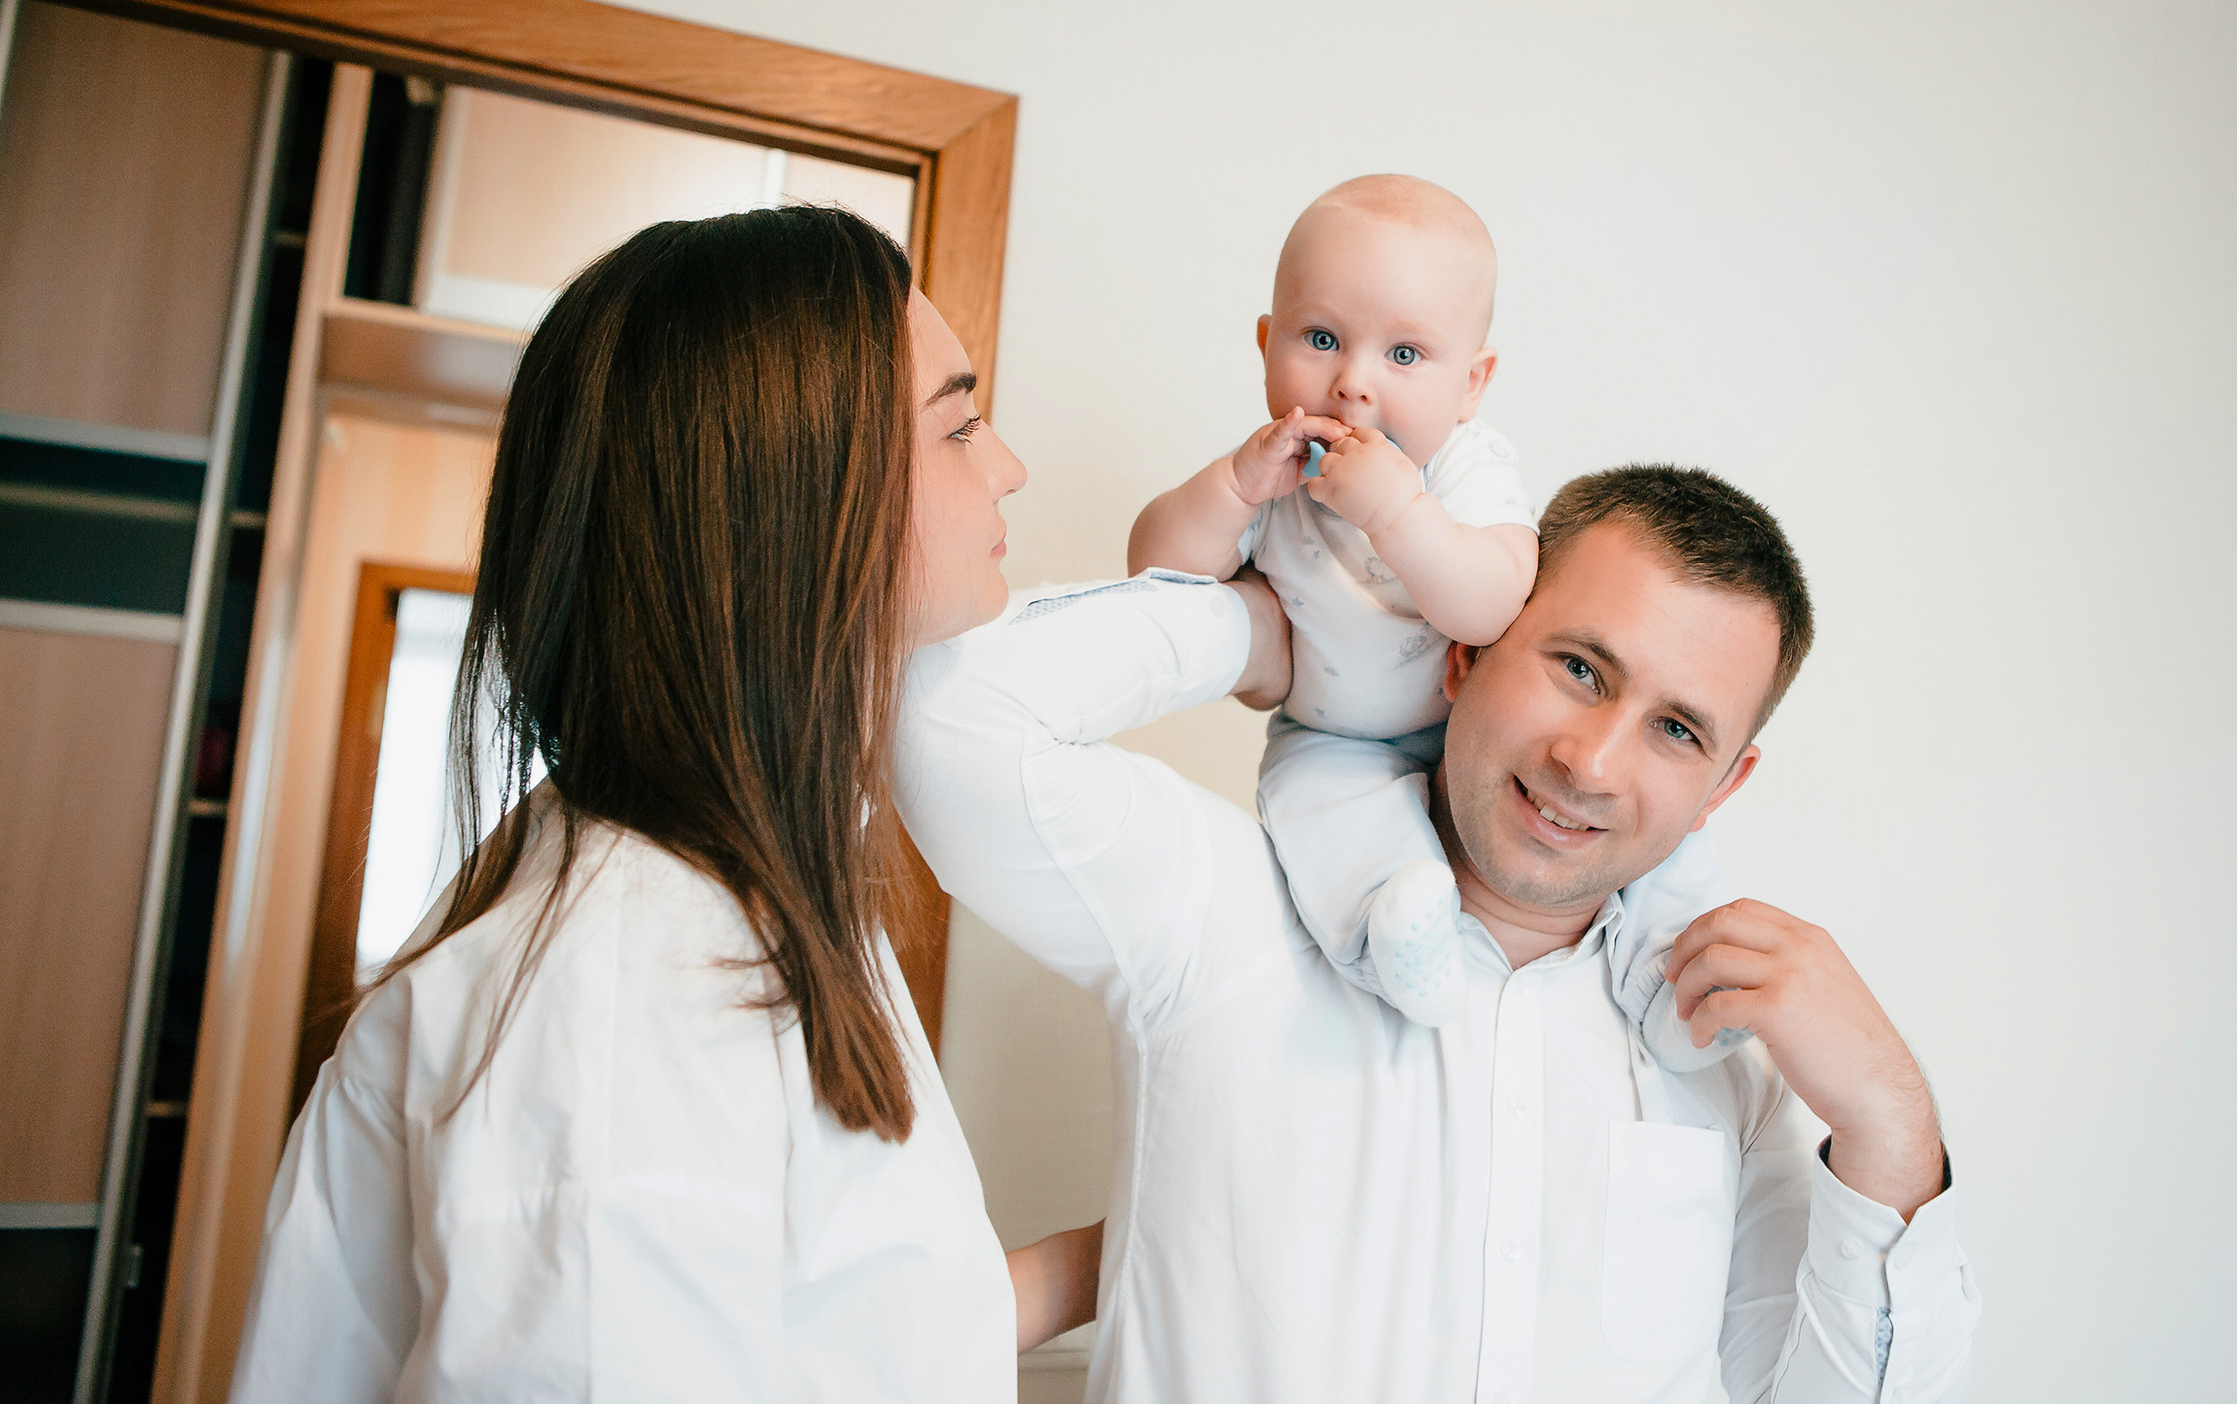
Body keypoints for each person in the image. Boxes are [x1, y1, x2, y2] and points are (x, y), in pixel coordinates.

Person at [230, 205, 1093, 1401]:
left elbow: (848, 1324)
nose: (1008, 465)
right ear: (795, 504)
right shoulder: (628, 992)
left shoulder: (740, 904)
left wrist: (1130, 1246)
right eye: (959, 422)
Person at [901, 464, 1978, 1400]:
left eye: (1675, 728)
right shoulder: (1216, 908)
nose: (1590, 762)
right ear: (1464, 652)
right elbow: (947, 719)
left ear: (1718, 788)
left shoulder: (1722, 1055)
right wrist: (1264, 632)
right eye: (1579, 668)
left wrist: (1887, 1113)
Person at [1127, 175, 1736, 1064]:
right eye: (1321, 338)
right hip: (1330, 734)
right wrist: (1229, 489)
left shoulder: (1463, 466)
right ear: (1266, 346)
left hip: (1465, 738)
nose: (1353, 384)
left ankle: (1677, 984)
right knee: (1321, 817)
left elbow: (1491, 602)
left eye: (1405, 356)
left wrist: (1395, 511)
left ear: (1471, 383)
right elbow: (1157, 569)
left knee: (1660, 842)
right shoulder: (1271, 473)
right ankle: (1395, 931)